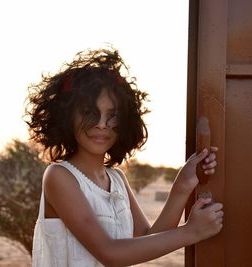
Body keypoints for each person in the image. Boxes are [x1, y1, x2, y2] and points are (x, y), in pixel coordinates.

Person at [26, 47, 223, 266]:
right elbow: (110, 253)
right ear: (67, 117)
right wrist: (190, 233)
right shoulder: (59, 176)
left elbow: (147, 238)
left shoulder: (117, 179)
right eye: (89, 112)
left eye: (113, 115)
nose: (102, 124)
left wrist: (183, 185)